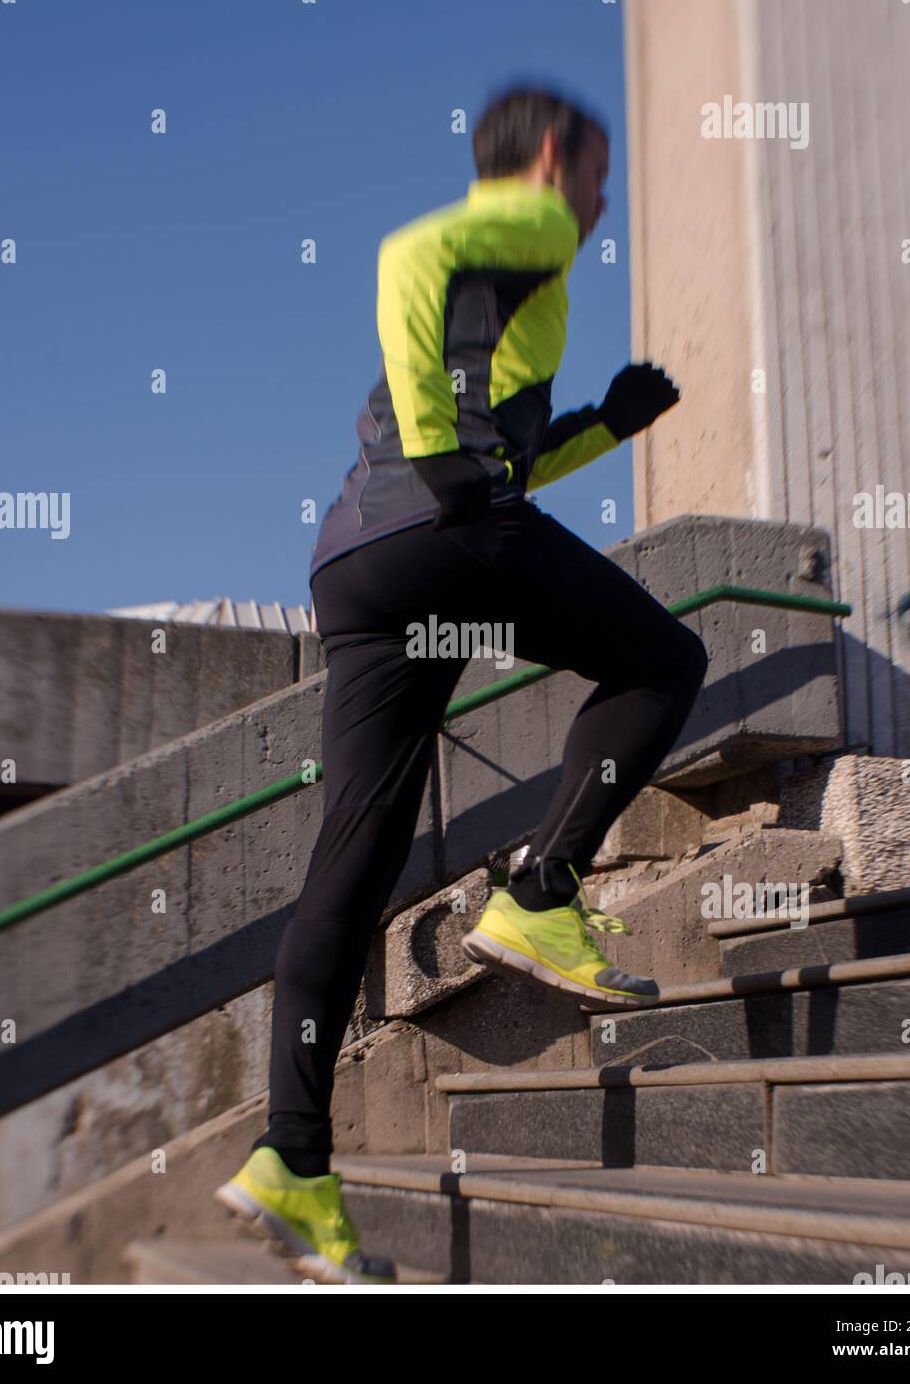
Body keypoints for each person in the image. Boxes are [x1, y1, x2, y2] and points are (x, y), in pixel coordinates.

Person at [215, 83, 709, 1285]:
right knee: (664, 659)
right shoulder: (528, 224)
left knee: (355, 856)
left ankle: (293, 1159)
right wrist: (446, 468)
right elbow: (404, 257)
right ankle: (541, 887)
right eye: (600, 175)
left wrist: (607, 424)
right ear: (552, 160)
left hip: (358, 565)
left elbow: (513, 449)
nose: (604, 202)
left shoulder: (510, 302)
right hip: (440, 531)